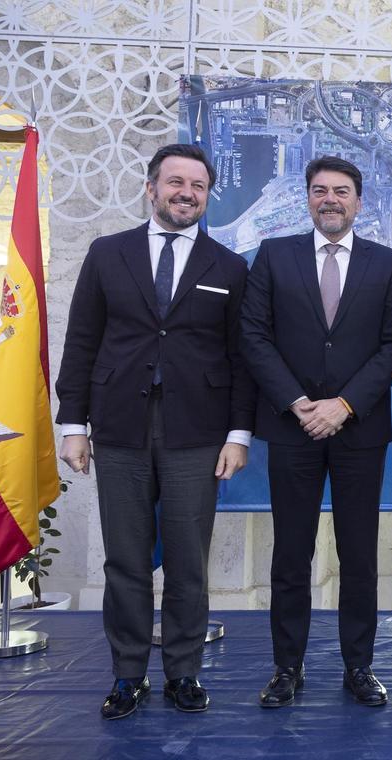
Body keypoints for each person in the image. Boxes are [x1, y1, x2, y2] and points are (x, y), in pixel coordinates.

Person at [55, 144, 255, 719]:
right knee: (125, 558)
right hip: (119, 427)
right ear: (151, 188)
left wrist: (238, 435)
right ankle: (127, 675)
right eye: (175, 182)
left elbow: (242, 358)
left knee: (190, 560)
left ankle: (184, 673)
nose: (185, 193)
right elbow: (83, 342)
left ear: (207, 196)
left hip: (198, 432)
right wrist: (74, 426)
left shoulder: (229, 266)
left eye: (196, 185)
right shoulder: (107, 253)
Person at [240, 156, 392, 708]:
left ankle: (358, 666)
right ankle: (287, 668)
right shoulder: (274, 255)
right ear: (307, 198)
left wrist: (344, 405)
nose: (330, 199)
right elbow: (255, 336)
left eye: (341, 191)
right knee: (291, 552)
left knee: (360, 554)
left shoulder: (387, 264)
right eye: (320, 191)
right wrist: (298, 403)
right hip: (293, 428)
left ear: (359, 201)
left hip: (359, 429)